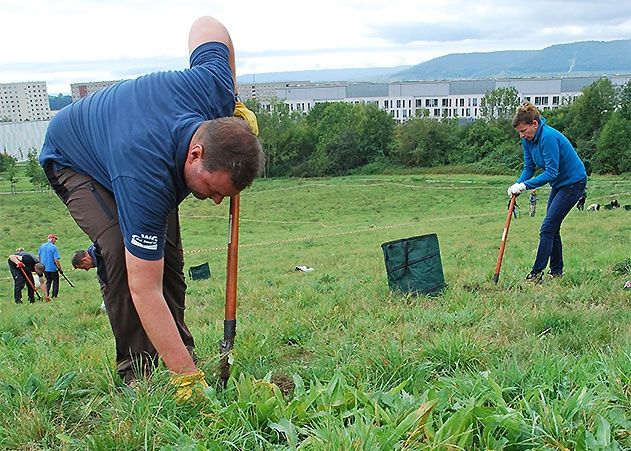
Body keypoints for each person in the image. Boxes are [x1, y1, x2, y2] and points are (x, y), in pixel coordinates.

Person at [39, 16, 264, 396]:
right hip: (76, 159)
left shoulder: (213, 87)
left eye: (224, 195)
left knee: (169, 260)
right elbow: (144, 287)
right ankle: (141, 374)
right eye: (213, 189)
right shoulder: (144, 177)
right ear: (196, 154)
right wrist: (189, 384)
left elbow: (209, 25)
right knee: (120, 254)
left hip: (135, 142)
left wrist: (235, 102)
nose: (216, 201)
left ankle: (179, 354)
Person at [507, 101, 587, 283]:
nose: (521, 135)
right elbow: (529, 167)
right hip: (559, 184)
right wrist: (517, 184)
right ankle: (557, 272)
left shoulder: (548, 137)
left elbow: (552, 172)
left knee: (547, 228)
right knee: (553, 227)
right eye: (519, 132)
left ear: (534, 124)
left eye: (524, 130)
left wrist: (525, 186)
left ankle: (535, 274)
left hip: (573, 182)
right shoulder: (527, 140)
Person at [72, 244, 108, 311]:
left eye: (84, 267)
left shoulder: (100, 256)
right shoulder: (96, 248)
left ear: (85, 260)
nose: (87, 269)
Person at [38, 234, 63, 298]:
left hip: (44, 268)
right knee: (55, 281)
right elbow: (56, 260)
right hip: (52, 268)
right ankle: (54, 295)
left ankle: (46, 295)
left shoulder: (42, 246)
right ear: (52, 239)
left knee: (48, 281)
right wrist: (60, 268)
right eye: (55, 239)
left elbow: (39, 257)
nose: (55, 241)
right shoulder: (54, 247)